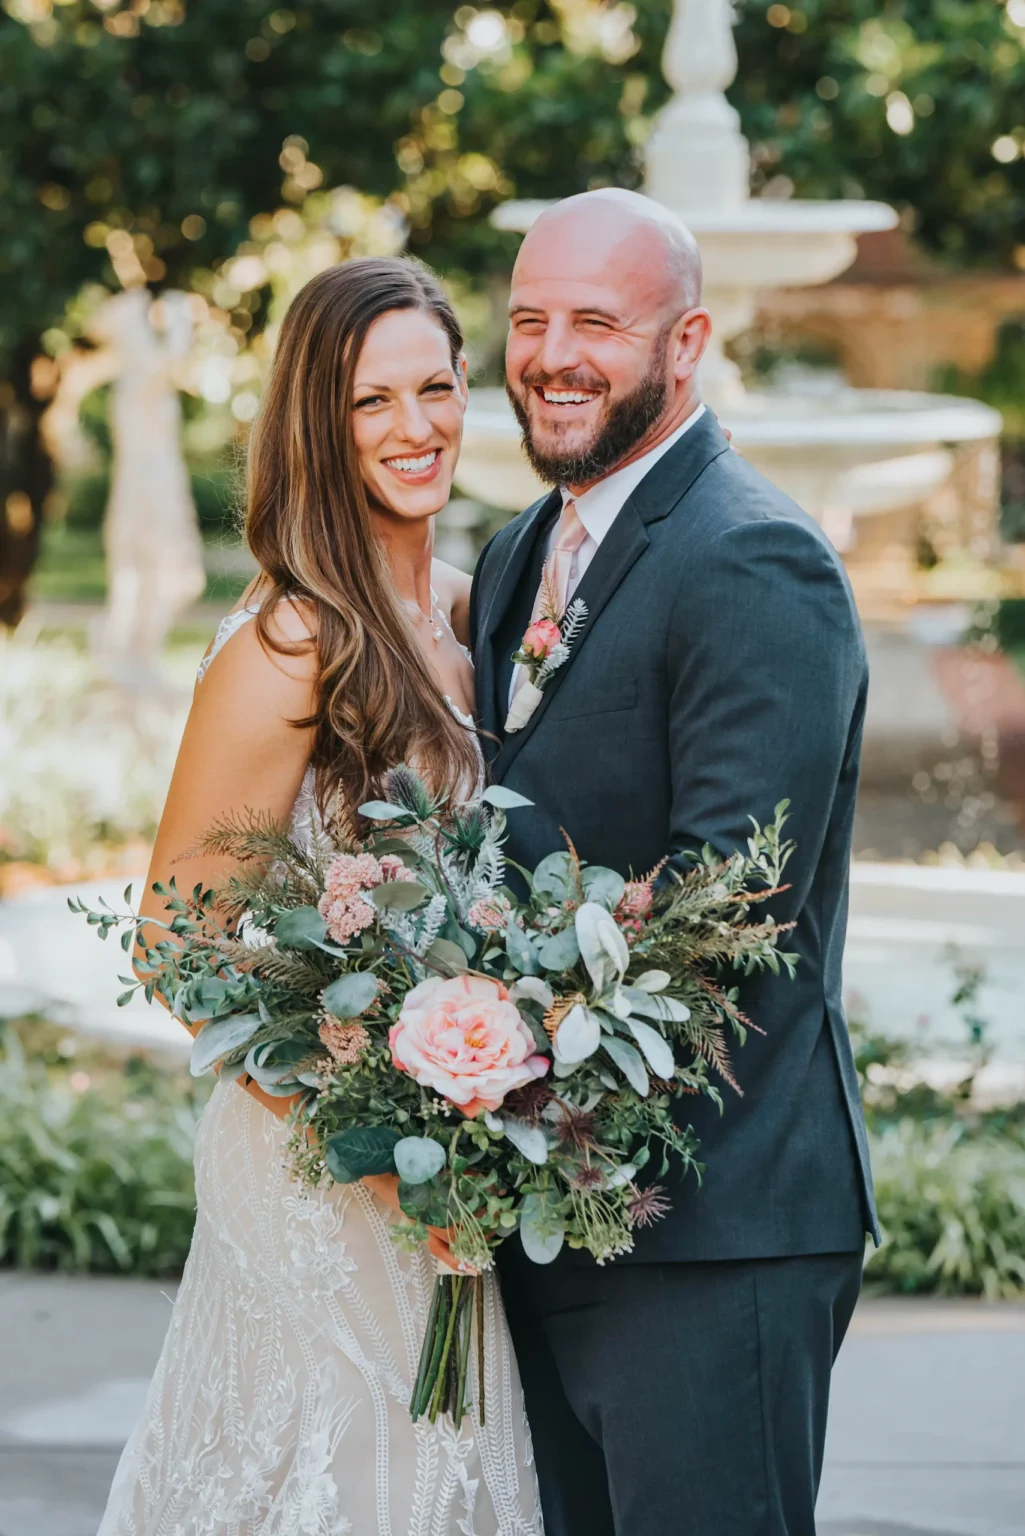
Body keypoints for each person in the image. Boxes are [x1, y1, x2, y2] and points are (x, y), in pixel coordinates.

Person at [98, 259, 541, 1536]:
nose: (418, 429)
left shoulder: (471, 612)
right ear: (317, 423)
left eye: (438, 389)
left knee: (439, 1480)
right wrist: (369, 1135)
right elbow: (176, 946)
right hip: (315, 1169)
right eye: (372, 403)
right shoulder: (292, 641)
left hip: (450, 1165)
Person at [469, 187, 878, 1536]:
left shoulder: (753, 559)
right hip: (554, 1219)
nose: (551, 352)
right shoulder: (519, 552)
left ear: (686, 342)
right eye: (529, 319)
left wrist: (474, 1051)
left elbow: (727, 906)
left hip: (716, 1229)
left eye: (596, 319)